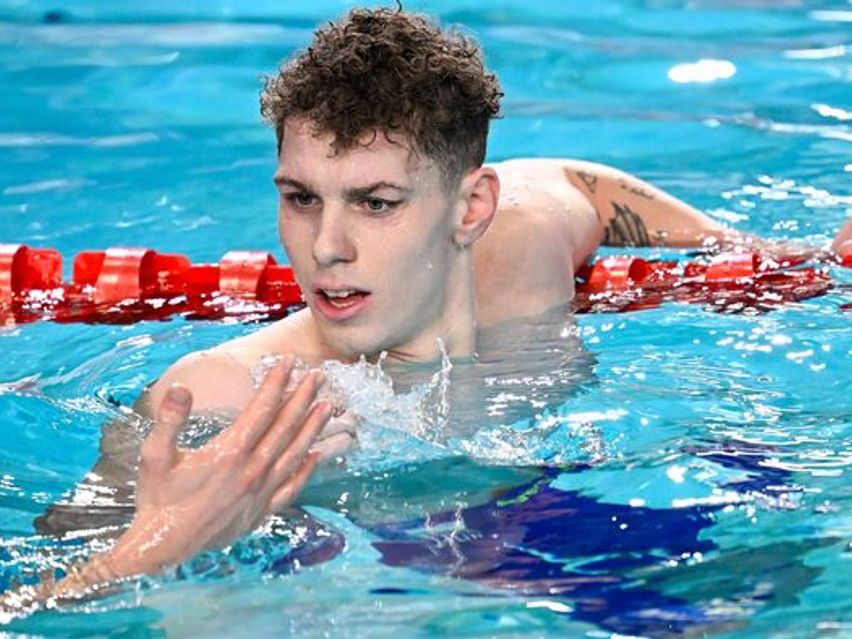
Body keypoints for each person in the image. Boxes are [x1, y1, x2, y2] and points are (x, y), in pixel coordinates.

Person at [3, 6, 849, 615]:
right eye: (301, 197)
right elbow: (32, 603)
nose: (326, 247)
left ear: (471, 208)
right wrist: (160, 545)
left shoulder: (522, 249)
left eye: (376, 203)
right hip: (360, 573)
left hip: (547, 514)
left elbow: (587, 186)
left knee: (783, 572)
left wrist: (768, 255)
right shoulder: (218, 397)